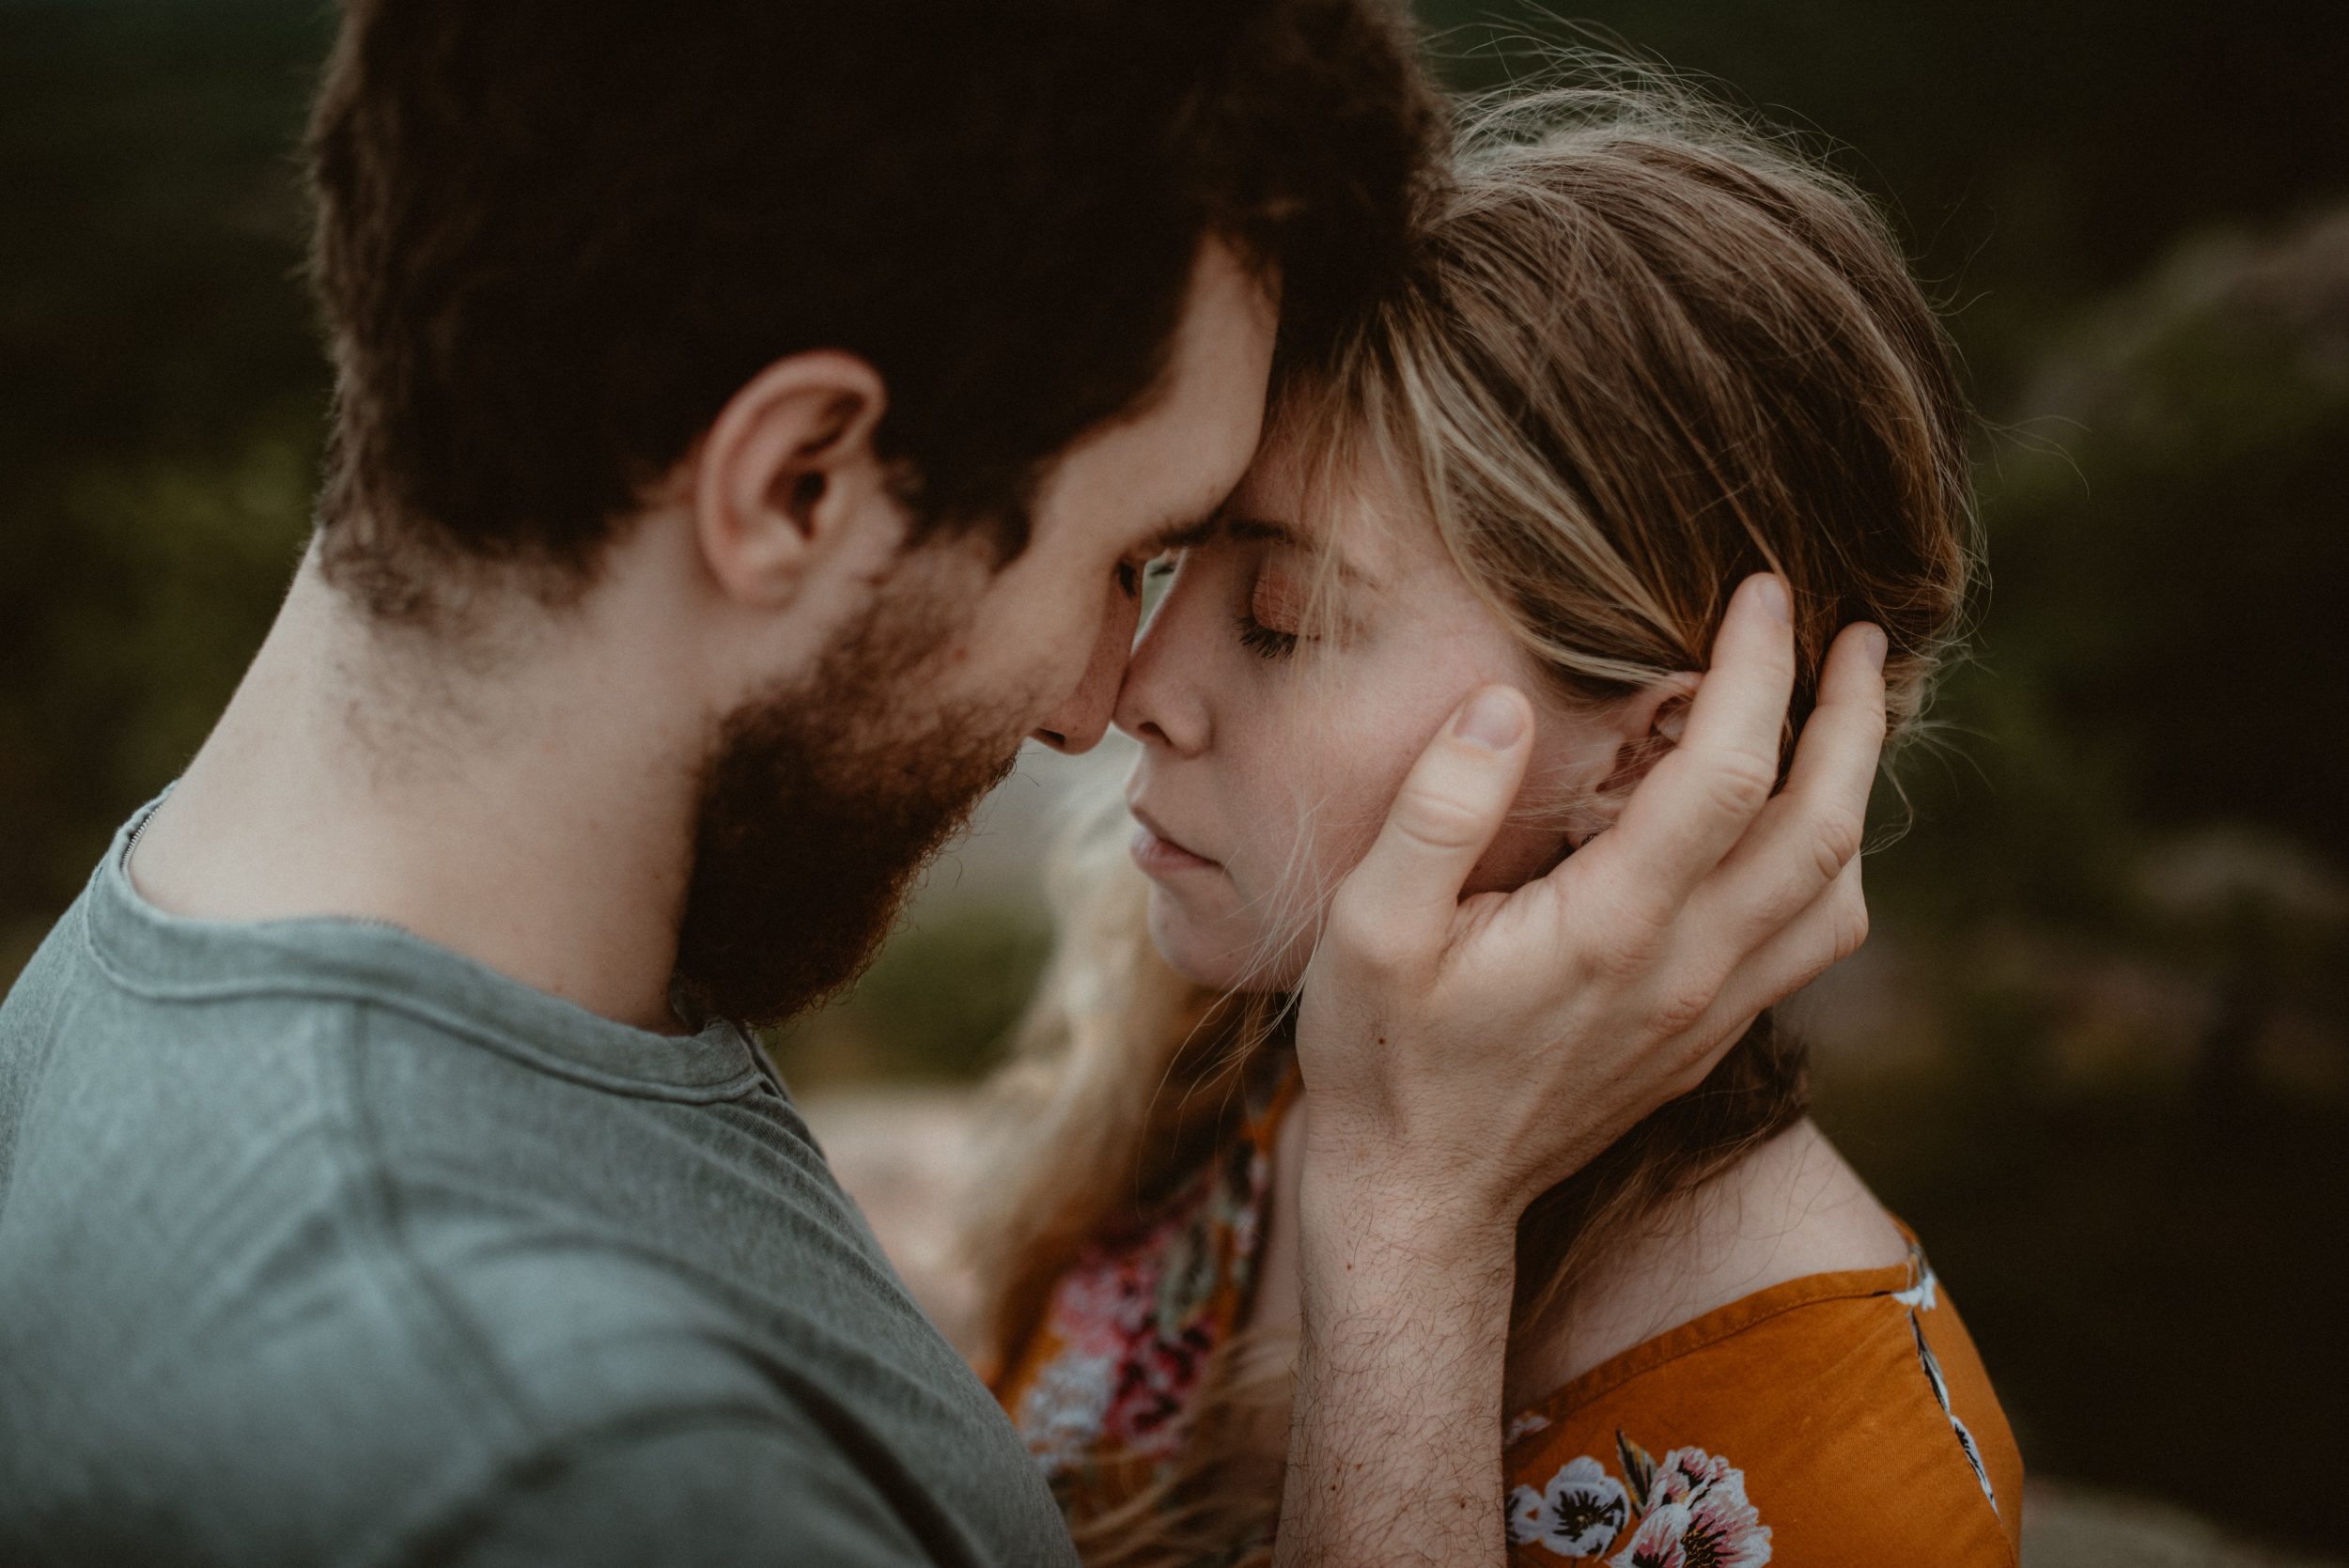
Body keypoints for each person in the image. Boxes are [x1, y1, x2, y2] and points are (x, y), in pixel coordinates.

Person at [0, 4, 1884, 1563]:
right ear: (798, 482)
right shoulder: (580, 1466)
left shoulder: (162, 957)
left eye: (1269, 606)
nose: (1101, 697)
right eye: (1123, 552)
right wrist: (1409, 1226)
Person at [975, 79, 2020, 1568]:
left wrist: (1413, 1220)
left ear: (1660, 754)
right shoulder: (1239, 1063)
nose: (1138, 684)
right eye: (1170, 560)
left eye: (1278, 616)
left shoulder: (1847, 1486)